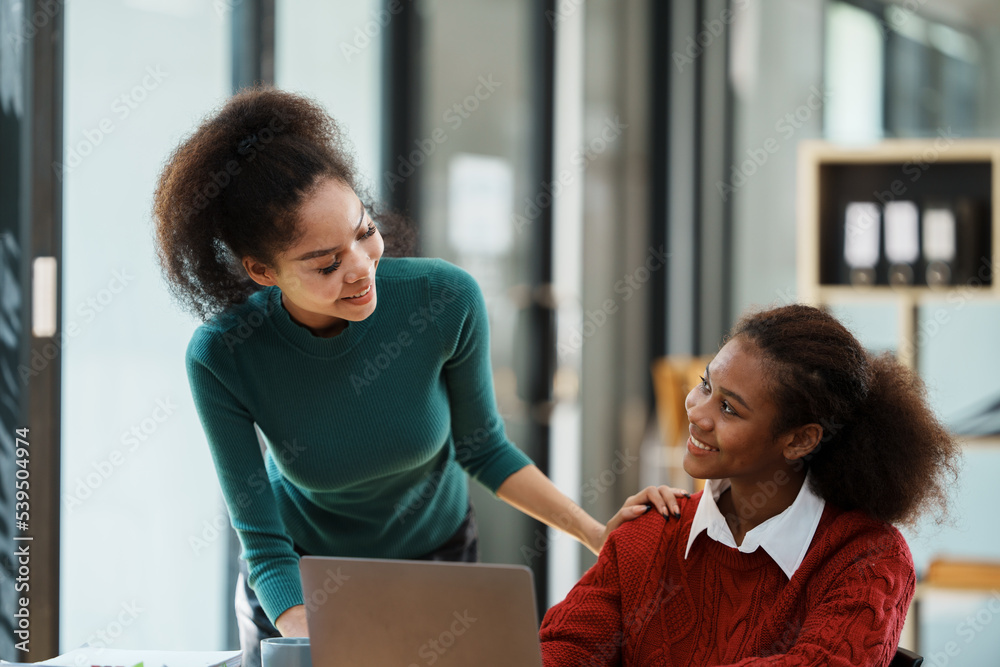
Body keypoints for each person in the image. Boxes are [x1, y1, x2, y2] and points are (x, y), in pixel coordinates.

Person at [151, 85, 683, 667]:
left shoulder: (442, 299)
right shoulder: (224, 355)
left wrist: (592, 531)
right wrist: (307, 635)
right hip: (300, 581)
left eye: (363, 232)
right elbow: (262, 538)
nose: (361, 270)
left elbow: (483, 449)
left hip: (437, 561)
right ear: (261, 271)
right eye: (326, 263)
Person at [539, 304, 961, 666]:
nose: (697, 414)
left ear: (799, 439)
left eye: (728, 408)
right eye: (705, 384)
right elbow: (562, 652)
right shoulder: (647, 534)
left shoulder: (865, 557)